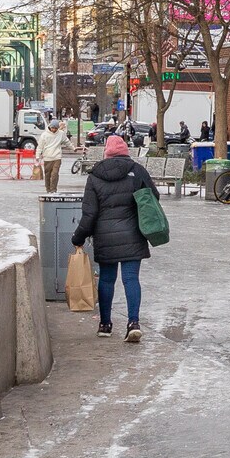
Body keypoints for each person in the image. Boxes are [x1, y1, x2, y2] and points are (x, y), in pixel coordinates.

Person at [71, 133, 159, 341]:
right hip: (133, 234)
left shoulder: (95, 176)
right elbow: (152, 198)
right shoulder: (137, 171)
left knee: (107, 280)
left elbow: (89, 213)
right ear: (126, 151)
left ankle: (105, 324)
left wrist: (79, 237)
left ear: (107, 152)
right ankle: (133, 323)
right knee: (131, 279)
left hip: (105, 236)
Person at [36, 119, 69, 193]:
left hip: (57, 157)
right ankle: (48, 189)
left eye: (55, 128)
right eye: (52, 128)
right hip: (47, 157)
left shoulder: (61, 133)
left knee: (55, 174)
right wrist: (37, 156)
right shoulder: (44, 135)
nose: (53, 129)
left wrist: (73, 148)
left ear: (57, 128)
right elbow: (40, 146)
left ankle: (53, 190)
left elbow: (67, 141)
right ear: (50, 127)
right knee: (47, 175)